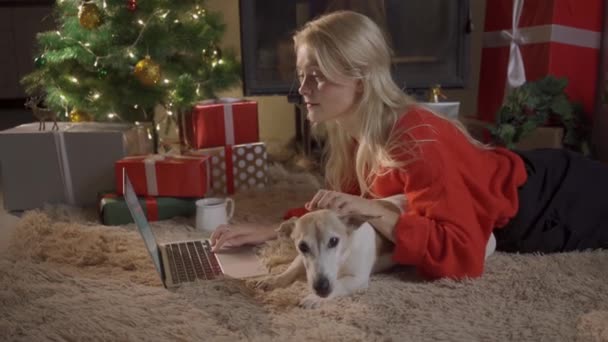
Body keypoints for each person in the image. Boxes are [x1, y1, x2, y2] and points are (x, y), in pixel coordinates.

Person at [211, 10, 608, 279]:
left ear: (359, 79)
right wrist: (277, 228)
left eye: (317, 76)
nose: (303, 89)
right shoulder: (352, 129)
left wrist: (377, 213)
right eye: (301, 75)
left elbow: (463, 255)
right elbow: (341, 204)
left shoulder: (416, 137)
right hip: (519, 172)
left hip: (557, 202)